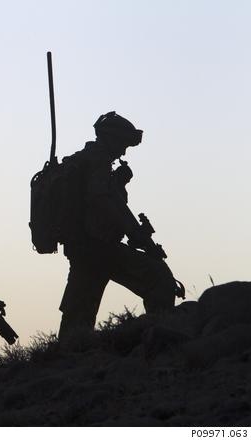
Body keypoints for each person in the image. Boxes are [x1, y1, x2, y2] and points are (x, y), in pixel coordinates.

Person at [57, 112, 179, 342]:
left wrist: (118, 183)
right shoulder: (98, 161)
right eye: (123, 144)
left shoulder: (86, 160)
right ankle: (161, 340)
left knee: (78, 313)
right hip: (97, 247)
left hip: (84, 247)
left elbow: (100, 199)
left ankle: (66, 356)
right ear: (111, 139)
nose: (123, 151)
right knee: (159, 278)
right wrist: (134, 233)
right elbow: (103, 202)